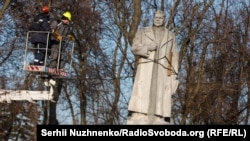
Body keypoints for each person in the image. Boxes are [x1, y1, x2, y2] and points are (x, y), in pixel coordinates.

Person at [126, 10, 179, 124]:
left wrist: (174, 75)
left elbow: (174, 56)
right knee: (143, 92)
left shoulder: (171, 36)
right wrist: (147, 47)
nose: (158, 19)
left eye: (161, 17)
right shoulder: (143, 32)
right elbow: (134, 47)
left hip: (163, 69)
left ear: (164, 19)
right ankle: (140, 115)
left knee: (160, 94)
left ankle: (158, 117)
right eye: (156, 17)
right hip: (146, 68)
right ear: (153, 18)